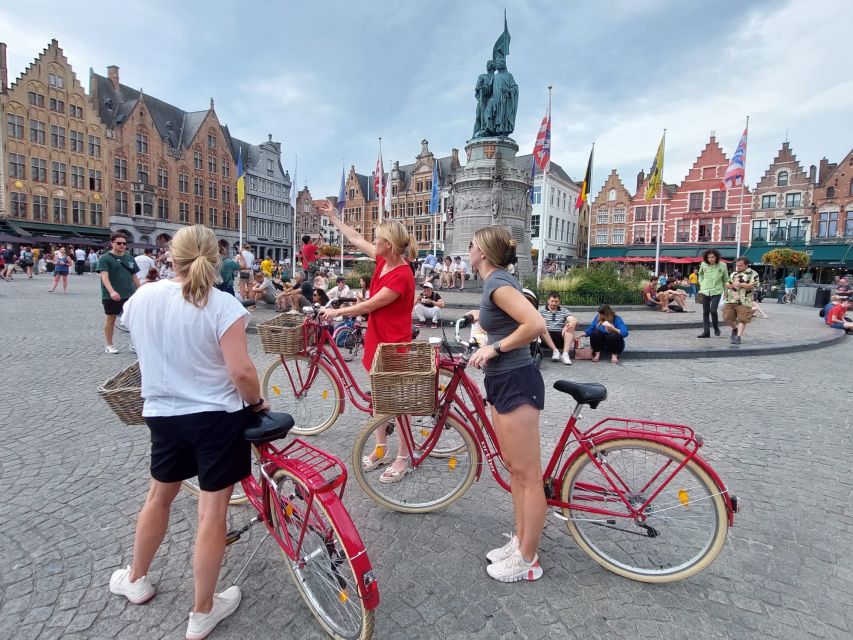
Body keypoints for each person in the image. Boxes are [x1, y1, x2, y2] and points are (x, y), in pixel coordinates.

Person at [112, 225, 267, 639]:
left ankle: (137, 578)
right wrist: (256, 403)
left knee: (159, 495)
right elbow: (241, 371)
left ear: (170, 256)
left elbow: (137, 333)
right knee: (212, 511)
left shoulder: (142, 297)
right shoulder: (223, 304)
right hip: (216, 416)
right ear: (215, 257)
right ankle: (202, 611)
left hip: (163, 412)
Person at [462, 226, 547, 582]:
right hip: (501, 380)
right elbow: (504, 319)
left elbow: (535, 324)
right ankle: (520, 539)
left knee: (528, 475)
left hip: (516, 381)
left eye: (471, 245)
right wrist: (477, 319)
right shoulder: (495, 283)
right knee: (514, 469)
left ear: (482, 251)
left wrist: (495, 348)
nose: (468, 250)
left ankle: (529, 559)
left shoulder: (498, 283)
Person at [316, 200, 416, 483]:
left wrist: (336, 311)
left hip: (393, 345)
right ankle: (380, 447)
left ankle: (403, 457)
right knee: (379, 401)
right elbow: (355, 238)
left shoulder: (401, 275)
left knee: (397, 403)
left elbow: (368, 306)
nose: (374, 241)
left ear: (390, 245)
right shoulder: (384, 261)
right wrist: (334, 217)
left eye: (379, 239)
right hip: (376, 339)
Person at [97, 233, 141, 353]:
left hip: (129, 294)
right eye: (119, 243)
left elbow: (134, 276)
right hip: (112, 295)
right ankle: (109, 345)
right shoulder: (105, 258)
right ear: (112, 243)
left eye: (124, 243)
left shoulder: (130, 258)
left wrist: (141, 289)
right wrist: (111, 291)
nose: (122, 245)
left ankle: (133, 344)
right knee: (111, 319)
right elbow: (104, 276)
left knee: (133, 320)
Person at [722, 256, 760, 345]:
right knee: (726, 317)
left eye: (740, 266)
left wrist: (740, 284)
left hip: (745, 300)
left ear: (746, 265)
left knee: (742, 319)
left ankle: (738, 337)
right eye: (737, 265)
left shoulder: (753, 273)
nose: (738, 267)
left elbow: (754, 285)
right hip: (731, 299)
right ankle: (735, 329)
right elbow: (728, 283)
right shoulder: (734, 274)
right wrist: (728, 286)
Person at [537, 291, 577, 365]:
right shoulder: (541, 310)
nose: (554, 303)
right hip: (546, 338)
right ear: (548, 300)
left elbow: (572, 319)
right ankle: (555, 351)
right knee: (541, 326)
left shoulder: (564, 311)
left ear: (559, 302)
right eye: (552, 301)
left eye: (556, 301)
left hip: (560, 338)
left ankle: (565, 355)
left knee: (569, 326)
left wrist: (573, 322)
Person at [697, 249, 729, 338]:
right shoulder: (703, 264)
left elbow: (726, 279)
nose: (710, 259)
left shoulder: (723, 265)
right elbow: (700, 274)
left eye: (712, 257)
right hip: (705, 290)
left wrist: (726, 291)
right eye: (709, 257)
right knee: (705, 311)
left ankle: (716, 327)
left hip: (717, 290)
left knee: (713, 310)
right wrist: (701, 282)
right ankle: (706, 331)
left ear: (716, 257)